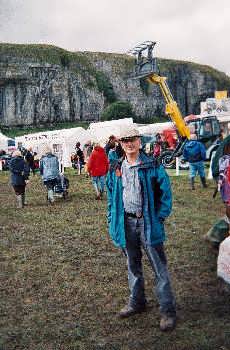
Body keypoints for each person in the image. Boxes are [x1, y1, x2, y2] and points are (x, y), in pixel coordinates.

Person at [106, 126, 176, 332]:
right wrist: (112, 217)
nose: (129, 144)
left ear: (139, 141)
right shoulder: (116, 167)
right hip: (125, 223)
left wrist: (160, 217)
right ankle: (137, 302)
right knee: (132, 264)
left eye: (133, 139)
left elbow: (166, 193)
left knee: (159, 267)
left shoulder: (152, 165)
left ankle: (167, 311)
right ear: (120, 143)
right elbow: (112, 196)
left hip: (148, 222)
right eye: (125, 140)